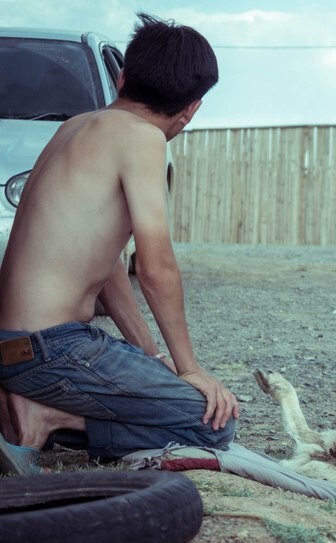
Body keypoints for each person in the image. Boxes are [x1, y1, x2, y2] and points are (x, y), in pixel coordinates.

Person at [0, 13, 238, 475]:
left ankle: (33, 404)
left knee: (158, 379)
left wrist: (148, 354)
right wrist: (189, 367)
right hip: (52, 349)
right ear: (192, 109)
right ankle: (51, 416)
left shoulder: (73, 128)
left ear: (123, 77)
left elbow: (106, 265)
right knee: (212, 424)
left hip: (15, 345)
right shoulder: (143, 138)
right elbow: (156, 267)